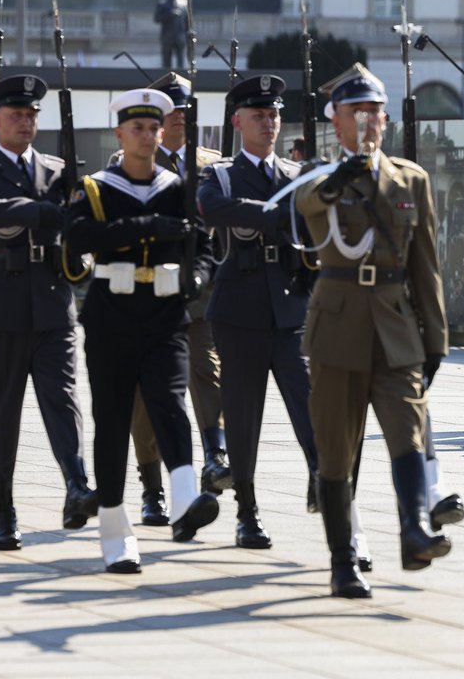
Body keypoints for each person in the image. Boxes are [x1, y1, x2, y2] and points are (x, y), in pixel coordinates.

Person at [296, 63, 451, 599]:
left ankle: (413, 529)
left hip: (394, 328)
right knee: (337, 451)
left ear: (385, 119)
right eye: (353, 111)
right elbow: (307, 207)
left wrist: (435, 342)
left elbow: (425, 265)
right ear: (334, 122)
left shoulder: (411, 178)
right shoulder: (317, 180)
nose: (365, 121)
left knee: (406, 434)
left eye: (373, 112)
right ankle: (343, 561)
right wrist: (343, 174)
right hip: (337, 328)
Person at [67, 88, 219, 572]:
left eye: (155, 128)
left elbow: (205, 247)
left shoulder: (178, 187)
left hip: (165, 313)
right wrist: (148, 227)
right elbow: (79, 237)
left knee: (170, 404)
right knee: (112, 423)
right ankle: (115, 533)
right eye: (138, 128)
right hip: (112, 314)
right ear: (119, 134)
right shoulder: (95, 188)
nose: (148, 137)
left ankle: (184, 498)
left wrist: (198, 276)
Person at [0, 74, 98, 551]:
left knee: (64, 400)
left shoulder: (59, 171)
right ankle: (5, 510)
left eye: (32, 115)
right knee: (2, 413)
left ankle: (77, 484)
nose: (25, 122)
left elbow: (84, 225)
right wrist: (36, 212)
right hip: (1, 305)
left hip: (53, 303)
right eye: (16, 115)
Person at [197, 74, 321, 550]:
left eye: (273, 116)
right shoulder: (222, 174)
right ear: (238, 122)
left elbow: (313, 235)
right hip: (239, 311)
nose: (268, 124)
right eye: (258, 117)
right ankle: (246, 513)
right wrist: (275, 214)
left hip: (290, 310)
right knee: (244, 418)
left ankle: (321, 477)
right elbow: (214, 209)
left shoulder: (295, 176)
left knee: (310, 409)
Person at [123, 72, 230, 527]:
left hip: (199, 293)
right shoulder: (127, 161)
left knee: (209, 373)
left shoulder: (214, 164)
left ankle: (215, 454)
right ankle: (152, 490)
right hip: (147, 296)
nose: (180, 118)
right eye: (172, 112)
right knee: (146, 400)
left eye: (186, 111)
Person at [154, 0, 189, 69]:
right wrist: (169, 15)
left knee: (181, 63)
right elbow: (156, 19)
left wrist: (188, 35)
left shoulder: (184, 3)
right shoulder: (162, 3)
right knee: (166, 63)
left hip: (180, 37)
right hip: (167, 37)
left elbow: (187, 21)